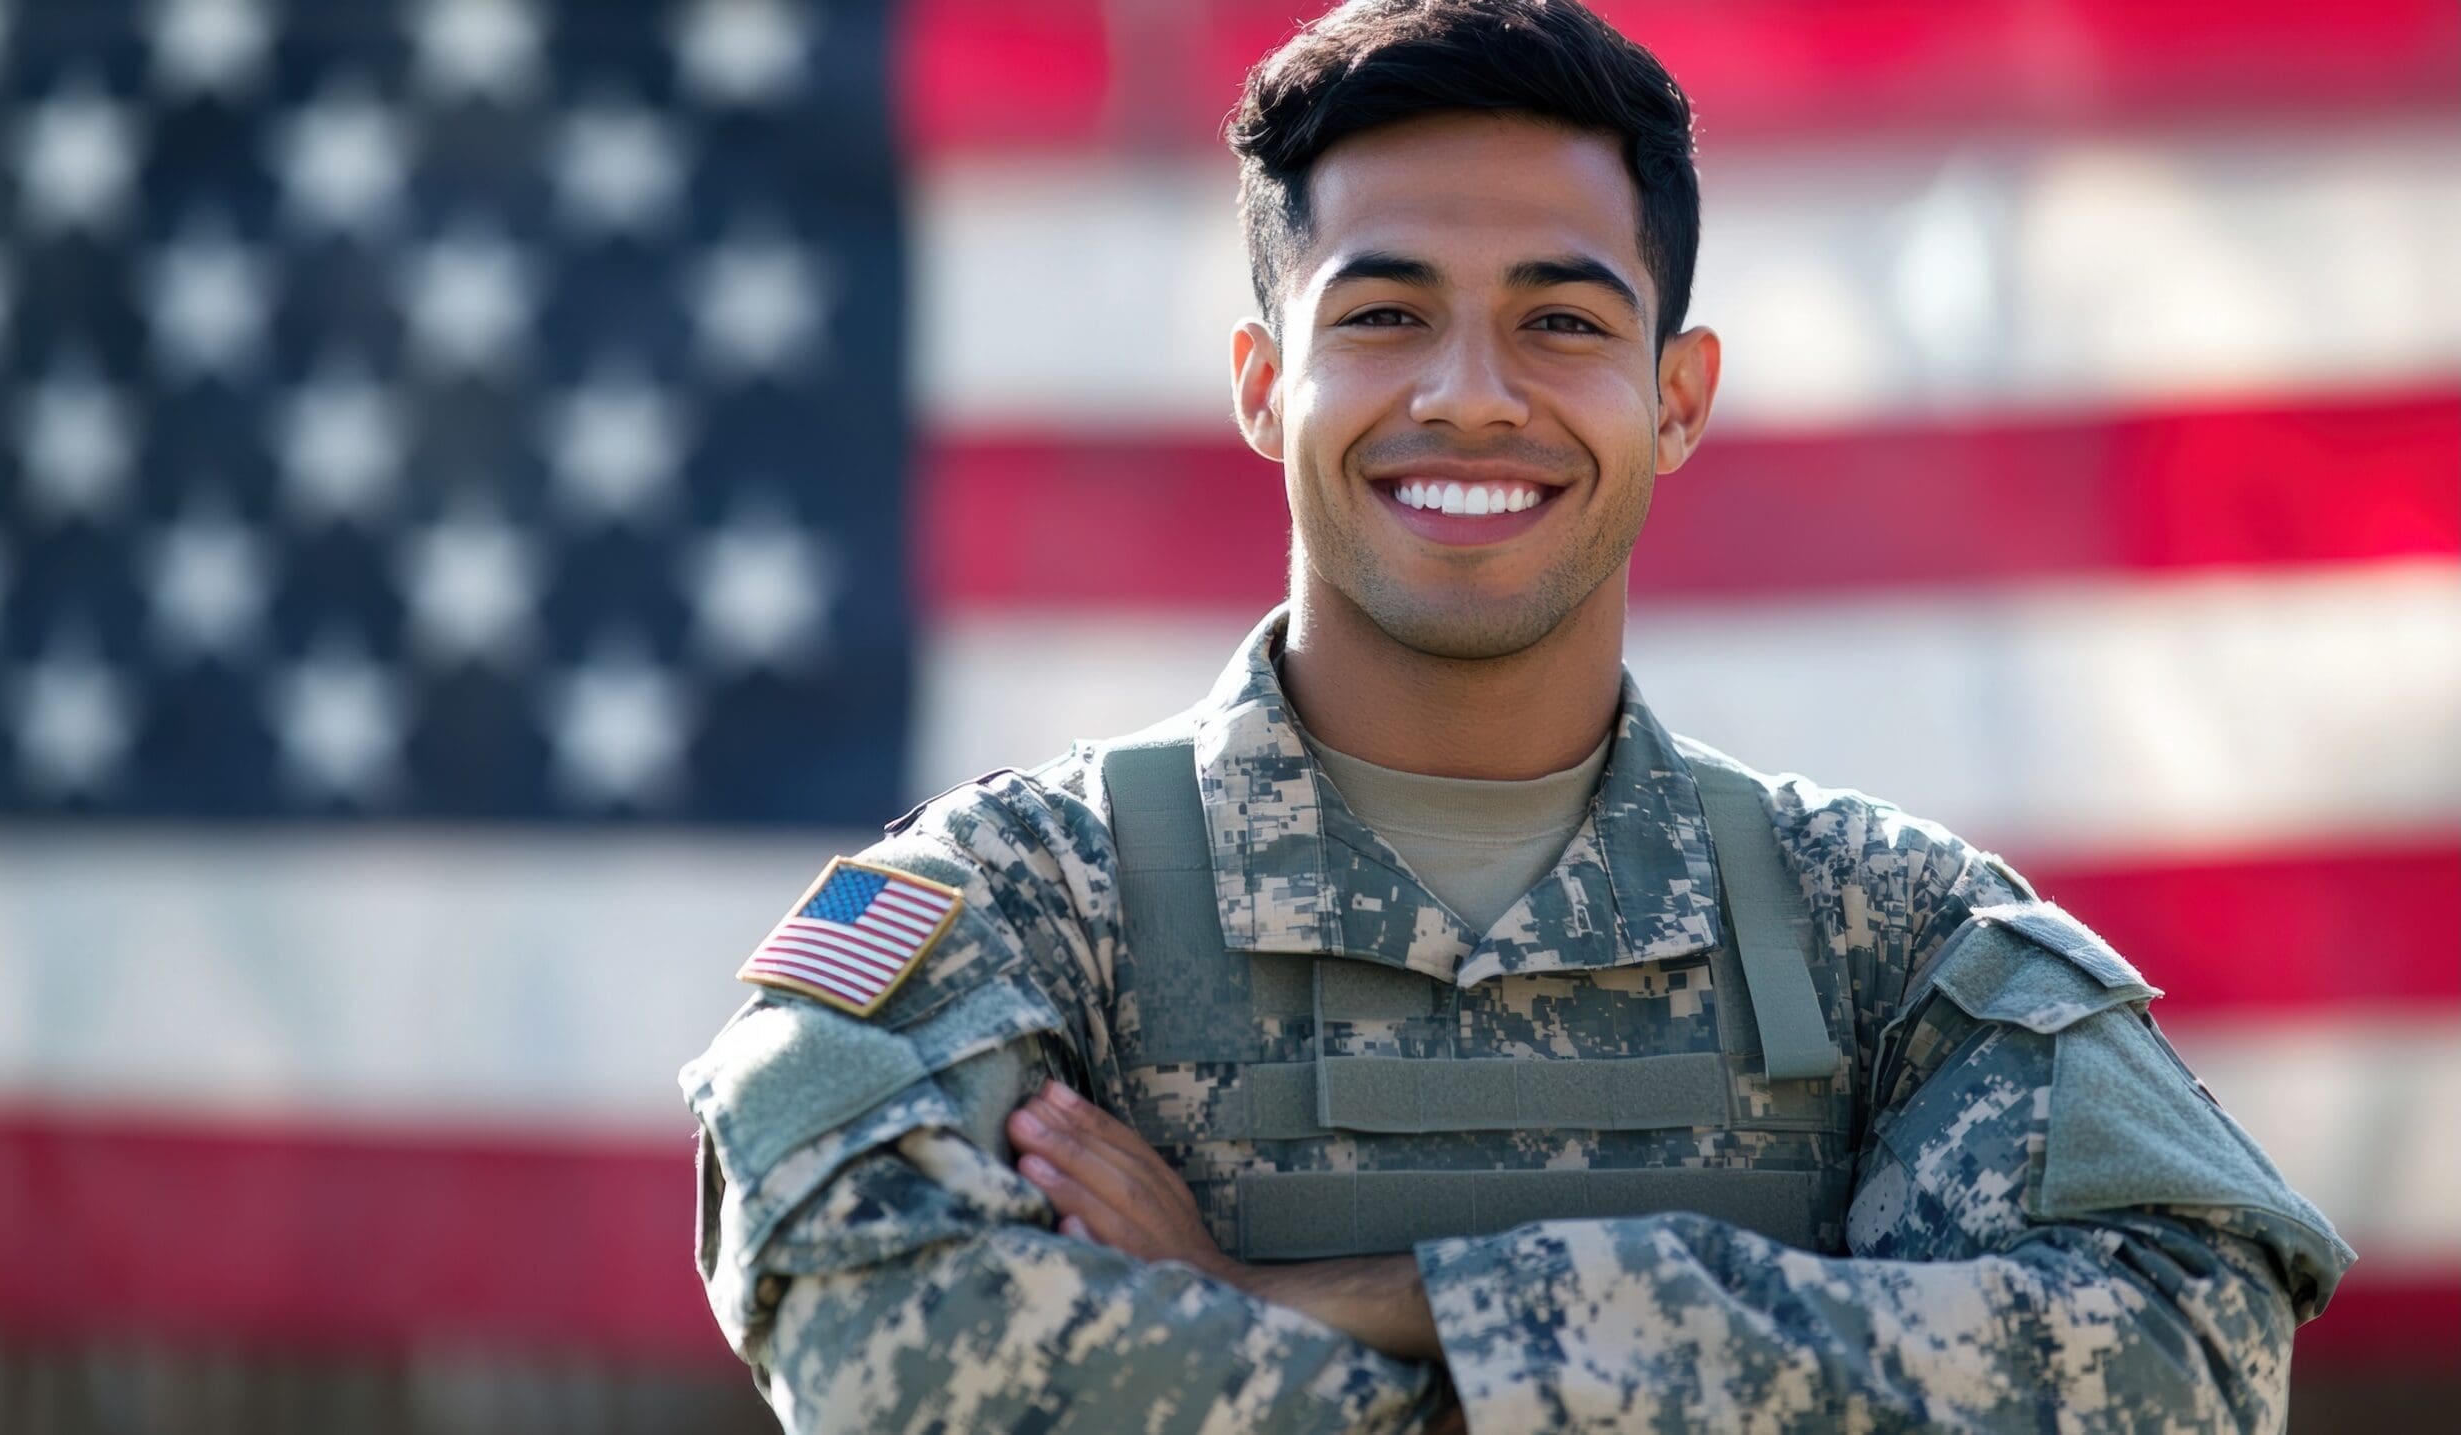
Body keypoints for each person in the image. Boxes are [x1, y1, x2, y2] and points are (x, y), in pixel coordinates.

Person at [679, 1, 2351, 1429]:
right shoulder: (1028, 908)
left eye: (1560, 322)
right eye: (1385, 314)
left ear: (1675, 400)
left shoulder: (1885, 934)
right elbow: (886, 1339)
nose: (1471, 391)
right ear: (1266, 383)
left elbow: (2183, 1359)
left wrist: (1331, 1300)